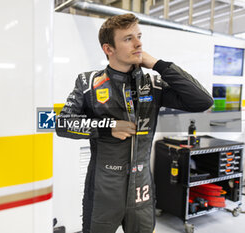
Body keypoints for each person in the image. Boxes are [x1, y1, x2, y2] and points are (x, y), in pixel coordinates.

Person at [55, 13, 213, 233]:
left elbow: (202, 101)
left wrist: (159, 64)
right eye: (128, 38)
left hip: (142, 190)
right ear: (108, 49)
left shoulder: (154, 84)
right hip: (103, 189)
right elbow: (62, 124)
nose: (138, 43)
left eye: (138, 36)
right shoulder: (88, 82)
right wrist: (107, 127)